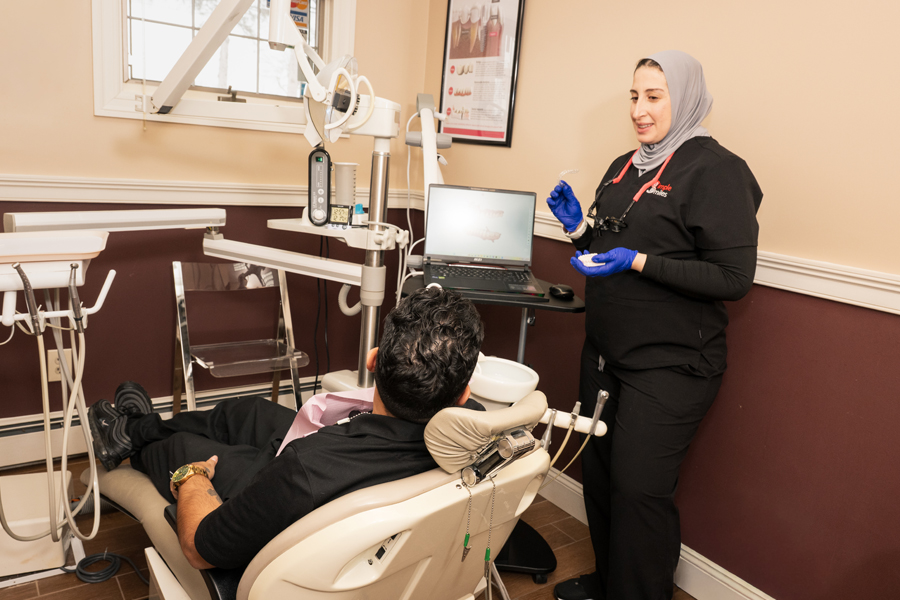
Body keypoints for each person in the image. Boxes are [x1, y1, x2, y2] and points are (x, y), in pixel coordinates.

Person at [546, 51, 762, 600]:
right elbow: (608, 245)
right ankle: (610, 582)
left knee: (639, 490)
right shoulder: (624, 166)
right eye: (634, 96)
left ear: (684, 99)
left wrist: (639, 261)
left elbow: (734, 278)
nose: (640, 110)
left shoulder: (718, 171)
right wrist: (577, 230)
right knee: (600, 476)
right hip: (605, 355)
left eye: (654, 97)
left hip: (671, 364)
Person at [87, 286, 485, 570]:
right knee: (245, 412)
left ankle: (133, 442)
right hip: (336, 468)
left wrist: (193, 476)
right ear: (463, 394)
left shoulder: (305, 467)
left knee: (183, 448)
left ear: (372, 361)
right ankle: (137, 427)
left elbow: (199, 549)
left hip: (291, 502)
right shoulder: (477, 429)